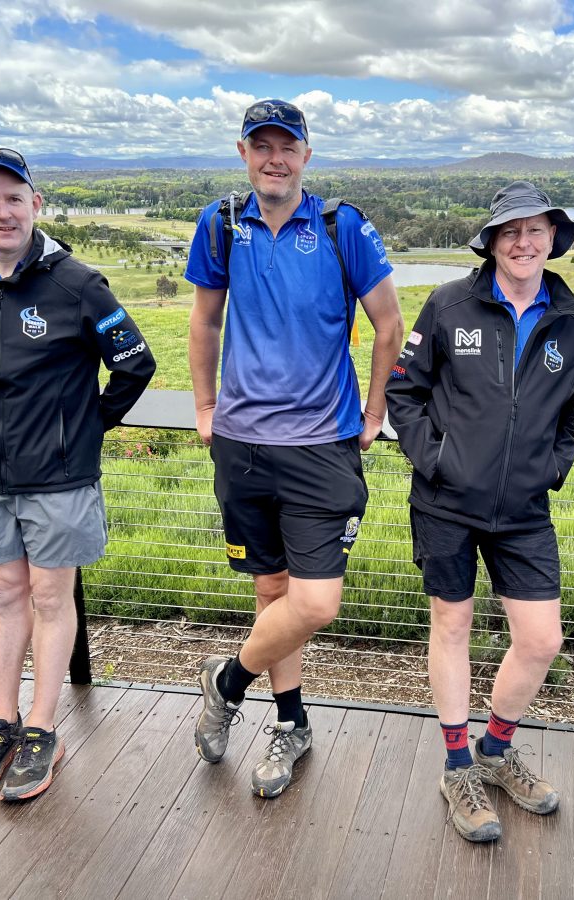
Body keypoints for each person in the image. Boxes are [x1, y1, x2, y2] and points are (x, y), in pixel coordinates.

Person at [0, 147, 155, 801]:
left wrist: (83, 426)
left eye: (13, 197)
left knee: (51, 600)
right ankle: (3, 719)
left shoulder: (78, 284)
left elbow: (136, 362)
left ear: (36, 205)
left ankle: (43, 729)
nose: (2, 211)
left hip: (58, 479)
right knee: (3, 597)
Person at [186, 100, 404, 798]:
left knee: (315, 603)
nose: (274, 158)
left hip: (321, 447)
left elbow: (390, 326)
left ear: (307, 155)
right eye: (262, 146)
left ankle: (228, 681)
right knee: (271, 592)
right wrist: (203, 406)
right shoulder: (220, 225)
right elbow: (204, 322)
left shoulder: (344, 226)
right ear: (243, 153)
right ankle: (291, 723)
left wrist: (373, 412)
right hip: (243, 445)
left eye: (288, 146)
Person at [387, 181, 574, 842]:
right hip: (447, 501)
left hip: (525, 509)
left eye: (536, 230)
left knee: (541, 639)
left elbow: (570, 411)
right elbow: (404, 390)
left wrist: (553, 465)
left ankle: (496, 753)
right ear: (493, 241)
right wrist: (435, 459)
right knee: (452, 625)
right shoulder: (450, 305)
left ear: (553, 237)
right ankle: (456, 767)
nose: (524, 242)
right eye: (511, 232)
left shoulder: (571, 317)